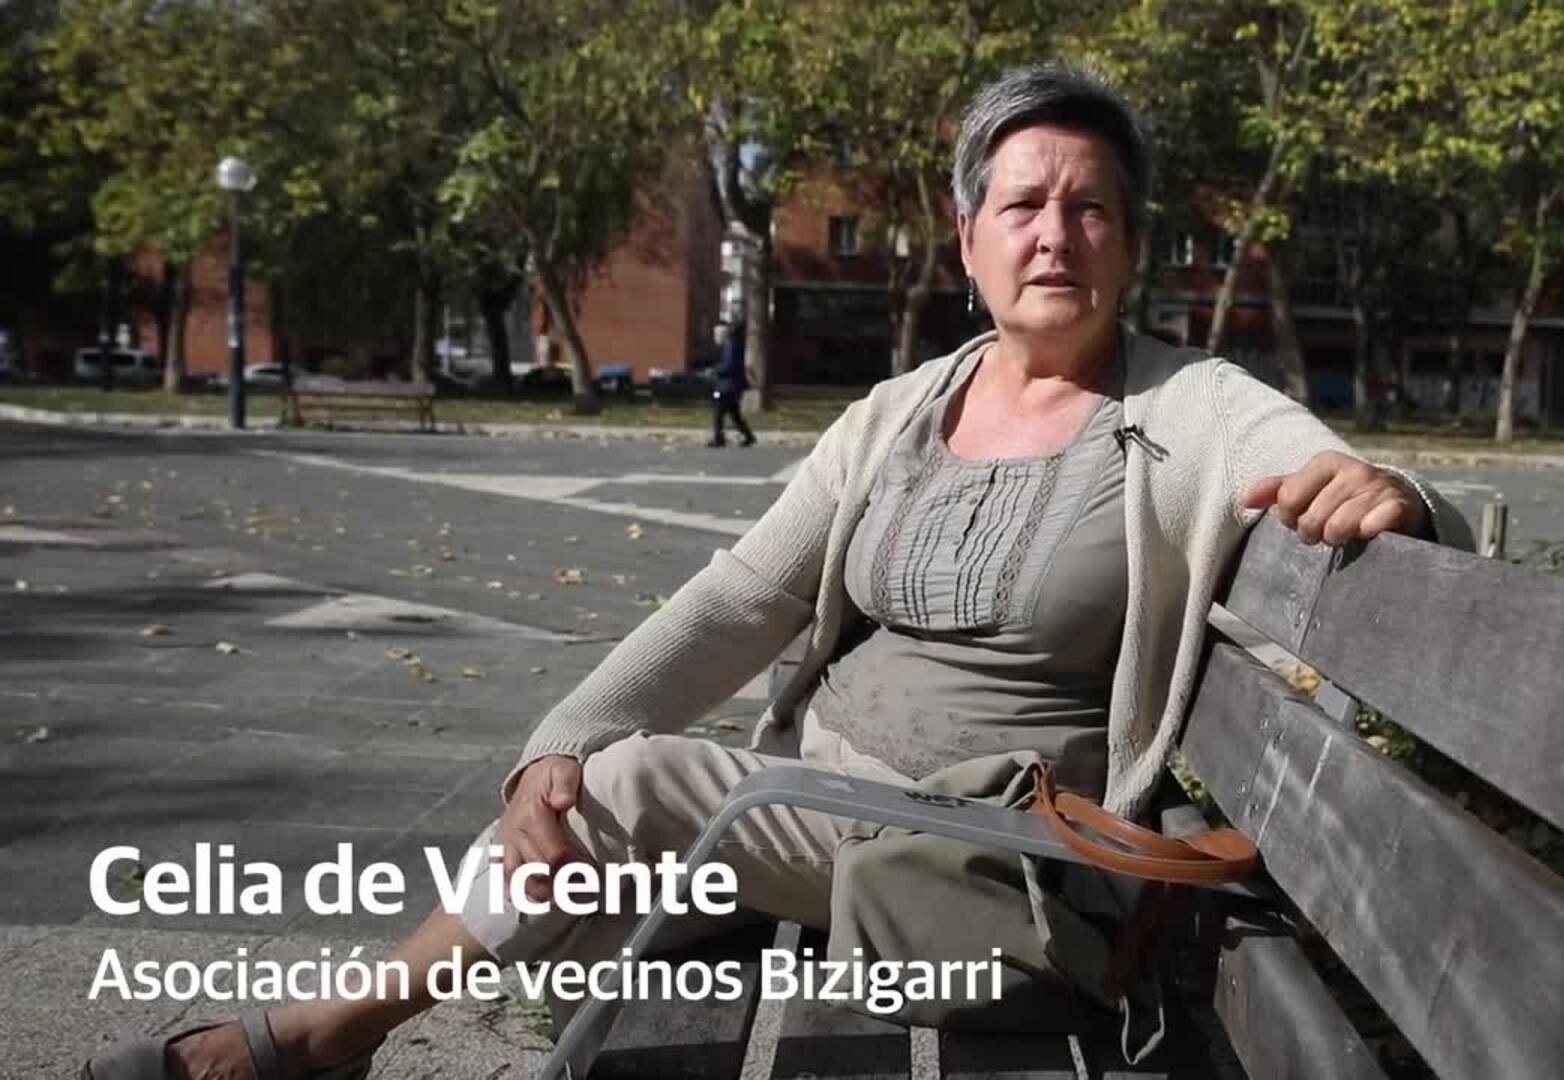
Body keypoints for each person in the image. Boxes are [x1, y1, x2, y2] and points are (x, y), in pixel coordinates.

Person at [95, 64, 1469, 1079]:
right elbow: (742, 595)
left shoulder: (1188, 407)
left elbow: (1338, 471)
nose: (1056, 233)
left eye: (1090, 207)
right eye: (1024, 205)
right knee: (582, 815)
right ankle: (391, 1015)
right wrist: (556, 736)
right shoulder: (902, 411)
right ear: (970, 240)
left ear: (1132, 242)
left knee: (630, 793)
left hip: (985, 842)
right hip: (817, 804)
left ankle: (332, 1032)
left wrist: (1397, 493)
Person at [710, 319, 756, 447]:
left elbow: (729, 365)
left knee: (718, 411)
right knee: (734, 413)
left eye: (717, 334)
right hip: (730, 386)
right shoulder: (731, 344)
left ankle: (718, 438)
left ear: (723, 334)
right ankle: (748, 436)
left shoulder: (729, 345)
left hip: (727, 386)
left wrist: (716, 370)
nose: (715, 337)